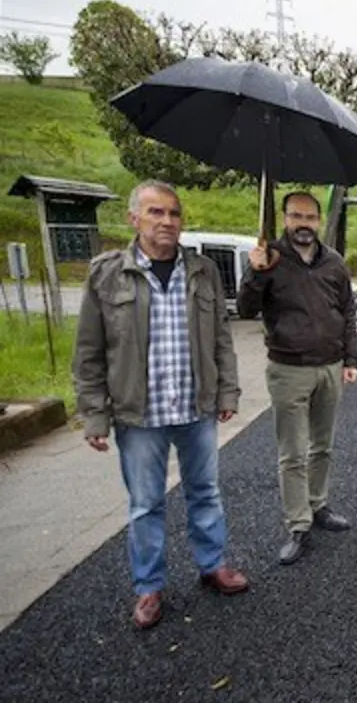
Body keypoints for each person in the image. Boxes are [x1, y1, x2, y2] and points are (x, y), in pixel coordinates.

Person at [73, 180, 249, 630]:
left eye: (174, 213)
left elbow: (221, 339)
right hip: (139, 414)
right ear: (134, 219)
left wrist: (227, 391)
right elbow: (89, 350)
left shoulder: (203, 271)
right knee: (145, 503)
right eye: (156, 212)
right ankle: (149, 586)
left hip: (195, 407)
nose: (167, 221)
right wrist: (94, 413)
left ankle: (212, 565)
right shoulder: (107, 274)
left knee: (205, 492)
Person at [237, 190, 357, 565]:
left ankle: (318, 504)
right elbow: (246, 310)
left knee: (322, 446)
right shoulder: (270, 258)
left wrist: (350, 358)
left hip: (330, 367)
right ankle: (298, 524)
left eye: (309, 217)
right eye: (296, 216)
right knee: (292, 453)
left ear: (318, 221)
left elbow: (347, 312)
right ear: (285, 218)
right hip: (288, 369)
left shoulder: (334, 262)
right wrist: (257, 273)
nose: (303, 224)